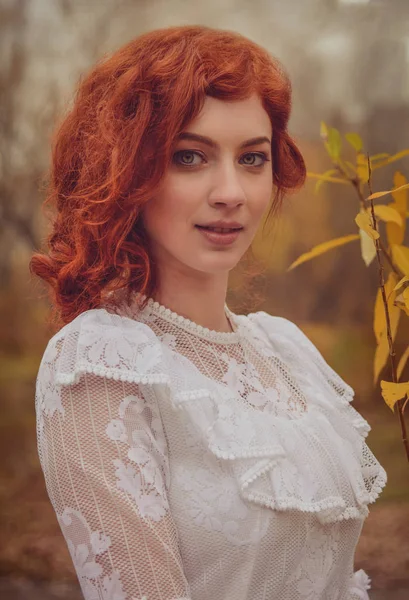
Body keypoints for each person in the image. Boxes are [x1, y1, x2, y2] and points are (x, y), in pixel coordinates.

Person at [30, 24, 386, 600]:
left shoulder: (286, 351)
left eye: (252, 158)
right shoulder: (101, 365)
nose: (231, 192)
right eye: (189, 156)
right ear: (125, 174)